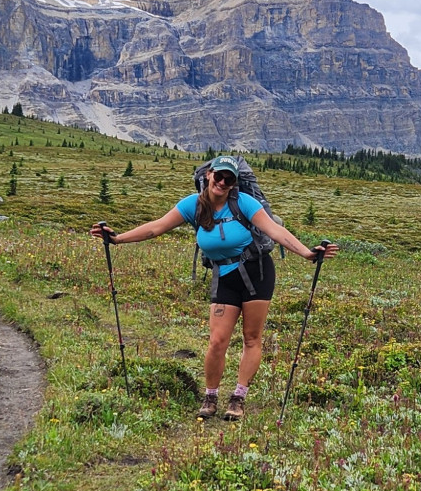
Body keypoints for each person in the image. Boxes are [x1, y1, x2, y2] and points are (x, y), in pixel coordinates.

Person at [91, 155, 336, 421]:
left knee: (251, 338)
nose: (222, 182)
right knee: (217, 340)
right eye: (218, 176)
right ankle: (210, 396)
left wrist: (307, 254)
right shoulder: (193, 205)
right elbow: (156, 228)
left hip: (257, 273)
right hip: (224, 277)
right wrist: (117, 239)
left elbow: (277, 232)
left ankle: (238, 398)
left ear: (234, 183)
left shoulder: (244, 203)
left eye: (228, 179)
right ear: (208, 174)